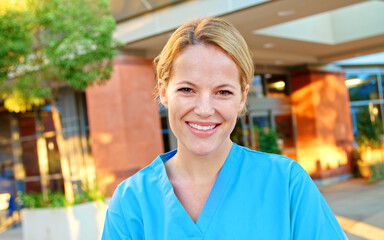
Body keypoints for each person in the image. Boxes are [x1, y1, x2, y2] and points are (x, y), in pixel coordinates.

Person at [102, 17, 348, 239]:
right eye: (187, 89)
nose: (205, 109)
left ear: (242, 98)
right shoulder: (130, 203)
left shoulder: (286, 184)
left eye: (223, 92)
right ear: (164, 92)